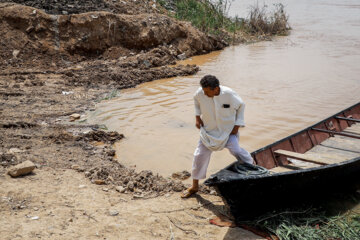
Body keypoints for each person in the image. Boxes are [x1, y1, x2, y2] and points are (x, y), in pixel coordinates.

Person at [181, 75, 254, 198]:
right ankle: (194, 186)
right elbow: (196, 102)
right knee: (199, 155)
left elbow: (242, 106)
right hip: (209, 132)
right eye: (203, 91)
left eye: (207, 91)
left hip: (227, 131)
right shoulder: (200, 93)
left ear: (216, 89)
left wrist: (237, 126)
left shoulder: (229, 94)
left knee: (236, 150)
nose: (204, 94)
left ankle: (253, 168)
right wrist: (197, 118)